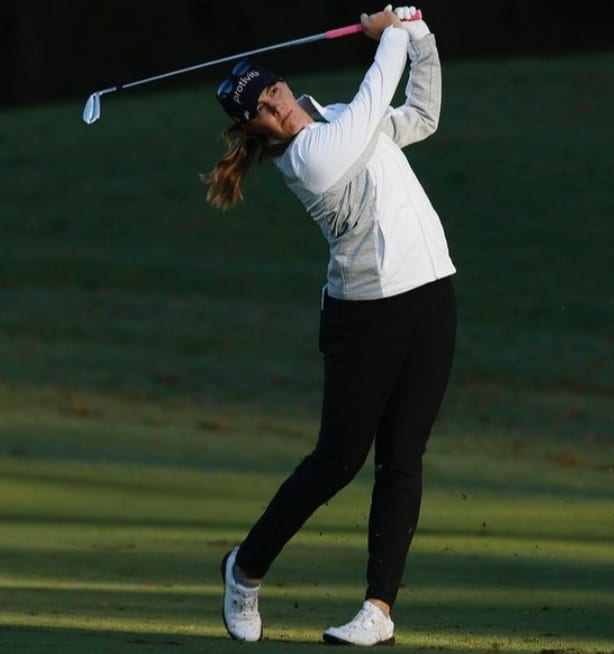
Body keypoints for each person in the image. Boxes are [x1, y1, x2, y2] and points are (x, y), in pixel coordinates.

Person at [202, 5, 457, 646]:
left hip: (431, 296)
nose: (276, 106)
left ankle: (378, 609)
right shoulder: (309, 157)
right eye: (261, 109)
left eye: (274, 90)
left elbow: (420, 115)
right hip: (366, 315)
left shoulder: (340, 118)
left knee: (403, 458)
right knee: (336, 462)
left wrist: (419, 36)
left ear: (284, 84)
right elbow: (377, 94)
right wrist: (392, 32)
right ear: (254, 129)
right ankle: (245, 569)